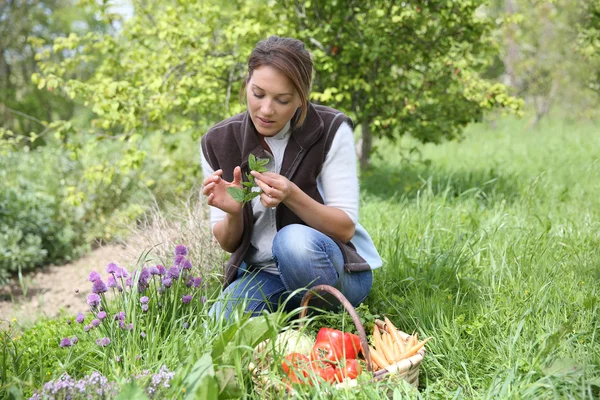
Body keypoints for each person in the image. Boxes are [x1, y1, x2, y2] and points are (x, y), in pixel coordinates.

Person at [200, 36, 382, 320]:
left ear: (301, 97)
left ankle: (321, 316)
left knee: (292, 242)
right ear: (246, 84)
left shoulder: (332, 130)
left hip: (335, 272)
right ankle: (293, 312)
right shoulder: (218, 141)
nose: (266, 110)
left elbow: (344, 229)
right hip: (266, 274)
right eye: (258, 94)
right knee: (218, 324)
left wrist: (292, 195)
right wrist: (234, 212)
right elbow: (228, 243)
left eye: (282, 100)